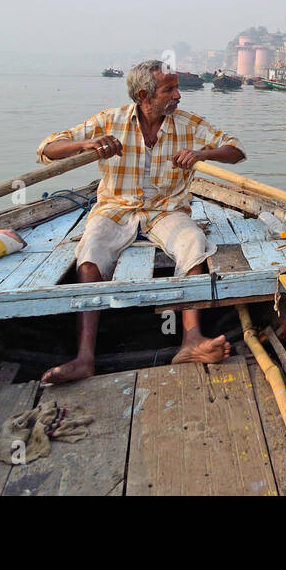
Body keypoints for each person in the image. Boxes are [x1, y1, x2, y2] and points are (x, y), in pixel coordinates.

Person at [35, 60, 246, 384]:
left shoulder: (187, 124)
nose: (179, 95)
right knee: (90, 252)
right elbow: (48, 148)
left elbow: (236, 150)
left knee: (193, 243)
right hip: (115, 208)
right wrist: (88, 144)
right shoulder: (110, 121)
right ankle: (84, 358)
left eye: (177, 87)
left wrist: (202, 155)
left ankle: (191, 340)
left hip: (166, 210)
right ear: (145, 95)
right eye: (170, 89)